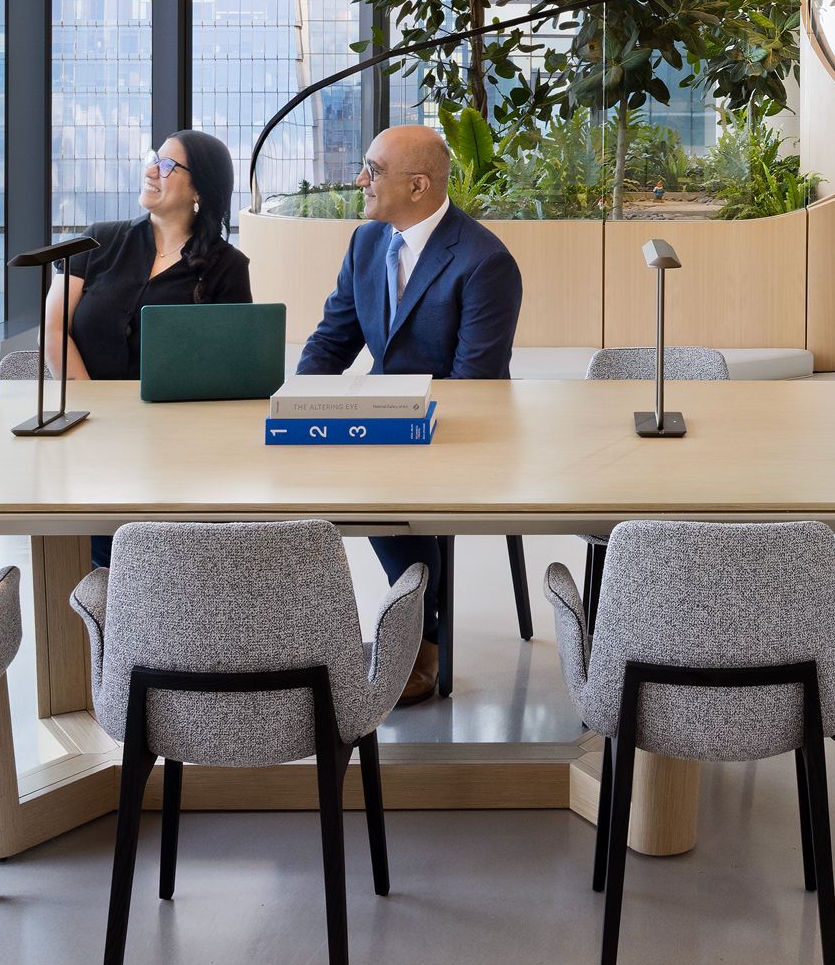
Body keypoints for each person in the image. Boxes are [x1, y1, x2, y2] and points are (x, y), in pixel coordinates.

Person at [298, 124, 523, 705]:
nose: (360, 179)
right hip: (382, 421)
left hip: (460, 432)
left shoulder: (485, 261)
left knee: (382, 492)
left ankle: (422, 638)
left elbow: (475, 387)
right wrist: (295, 404)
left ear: (419, 184)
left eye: (372, 169)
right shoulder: (367, 243)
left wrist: (399, 425)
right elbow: (332, 341)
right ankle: (337, 632)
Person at [45, 130, 253, 567]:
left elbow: (234, 367)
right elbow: (53, 328)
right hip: (92, 439)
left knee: (170, 569)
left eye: (168, 165)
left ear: (199, 188)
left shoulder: (227, 267)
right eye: (153, 159)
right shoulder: (97, 240)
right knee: (104, 563)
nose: (151, 170)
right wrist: (91, 404)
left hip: (179, 451)